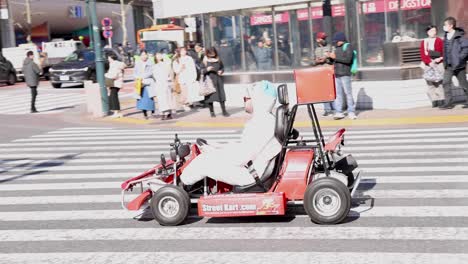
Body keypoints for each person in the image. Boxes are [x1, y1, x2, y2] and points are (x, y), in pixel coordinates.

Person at [180, 81, 281, 186]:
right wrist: (218, 147)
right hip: (252, 169)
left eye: (246, 99)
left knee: (203, 162)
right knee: (208, 158)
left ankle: (178, 188)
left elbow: (240, 158)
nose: (244, 101)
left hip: (249, 175)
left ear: (257, 100)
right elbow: (244, 149)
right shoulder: (266, 120)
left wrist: (215, 153)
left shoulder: (261, 123)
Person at [327, 32, 357, 120]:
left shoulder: (348, 46)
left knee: (348, 93)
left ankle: (351, 111)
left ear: (341, 40)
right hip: (337, 74)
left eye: (337, 41)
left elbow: (348, 60)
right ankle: (339, 112)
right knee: (338, 94)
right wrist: (329, 58)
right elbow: (334, 61)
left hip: (345, 74)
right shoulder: (336, 48)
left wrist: (335, 57)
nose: (336, 42)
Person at [440, 17, 468, 109]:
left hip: (459, 65)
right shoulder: (445, 36)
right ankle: (448, 103)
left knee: (464, 84)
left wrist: (459, 59)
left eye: (445, 25)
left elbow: (466, 49)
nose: (444, 27)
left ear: (451, 25)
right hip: (448, 65)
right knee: (445, 82)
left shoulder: (459, 36)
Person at [420, 25, 445, 108]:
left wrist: (440, 59)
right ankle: (434, 100)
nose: (433, 32)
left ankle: (441, 99)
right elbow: (423, 54)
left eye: (434, 30)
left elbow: (443, 52)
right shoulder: (424, 42)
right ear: (427, 32)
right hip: (428, 64)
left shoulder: (439, 40)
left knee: (440, 82)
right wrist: (429, 62)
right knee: (430, 83)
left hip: (438, 63)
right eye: (431, 31)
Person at [203, 47, 229, 117]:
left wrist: (221, 71)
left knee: (221, 96)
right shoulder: (205, 60)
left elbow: (222, 67)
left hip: (218, 80)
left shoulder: (218, 59)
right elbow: (201, 70)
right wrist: (207, 69)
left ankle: (224, 111)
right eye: (210, 53)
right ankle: (212, 112)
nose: (212, 54)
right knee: (210, 97)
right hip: (209, 81)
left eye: (213, 52)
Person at [314, 32, 335, 116]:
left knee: (331, 91)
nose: (323, 40)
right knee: (323, 92)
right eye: (322, 38)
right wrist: (316, 61)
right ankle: (327, 110)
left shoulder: (330, 47)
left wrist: (326, 59)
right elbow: (312, 61)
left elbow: (334, 58)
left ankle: (334, 109)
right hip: (320, 72)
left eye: (324, 38)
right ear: (317, 40)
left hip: (328, 72)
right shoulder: (315, 49)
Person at [134, 50, 156, 119]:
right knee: (141, 99)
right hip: (140, 83)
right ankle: (144, 113)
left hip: (148, 83)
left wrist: (142, 77)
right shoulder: (137, 63)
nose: (143, 56)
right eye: (142, 55)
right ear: (140, 56)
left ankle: (152, 112)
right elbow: (134, 73)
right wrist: (137, 77)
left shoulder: (151, 63)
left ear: (147, 55)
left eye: (144, 54)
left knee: (150, 98)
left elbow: (151, 72)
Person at [153, 53, 175, 120]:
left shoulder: (166, 64)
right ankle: (163, 113)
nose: (159, 56)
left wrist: (171, 81)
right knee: (161, 99)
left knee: (167, 98)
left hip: (166, 83)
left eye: (160, 55)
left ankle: (168, 113)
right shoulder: (155, 66)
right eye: (157, 55)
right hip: (159, 84)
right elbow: (154, 76)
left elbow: (170, 73)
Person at [105, 53, 126, 118]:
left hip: (115, 83)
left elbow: (114, 75)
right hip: (116, 83)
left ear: (111, 58)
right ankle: (118, 112)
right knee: (114, 97)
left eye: (108, 58)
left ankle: (116, 112)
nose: (108, 59)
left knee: (114, 98)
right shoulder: (116, 64)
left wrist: (105, 75)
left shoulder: (114, 64)